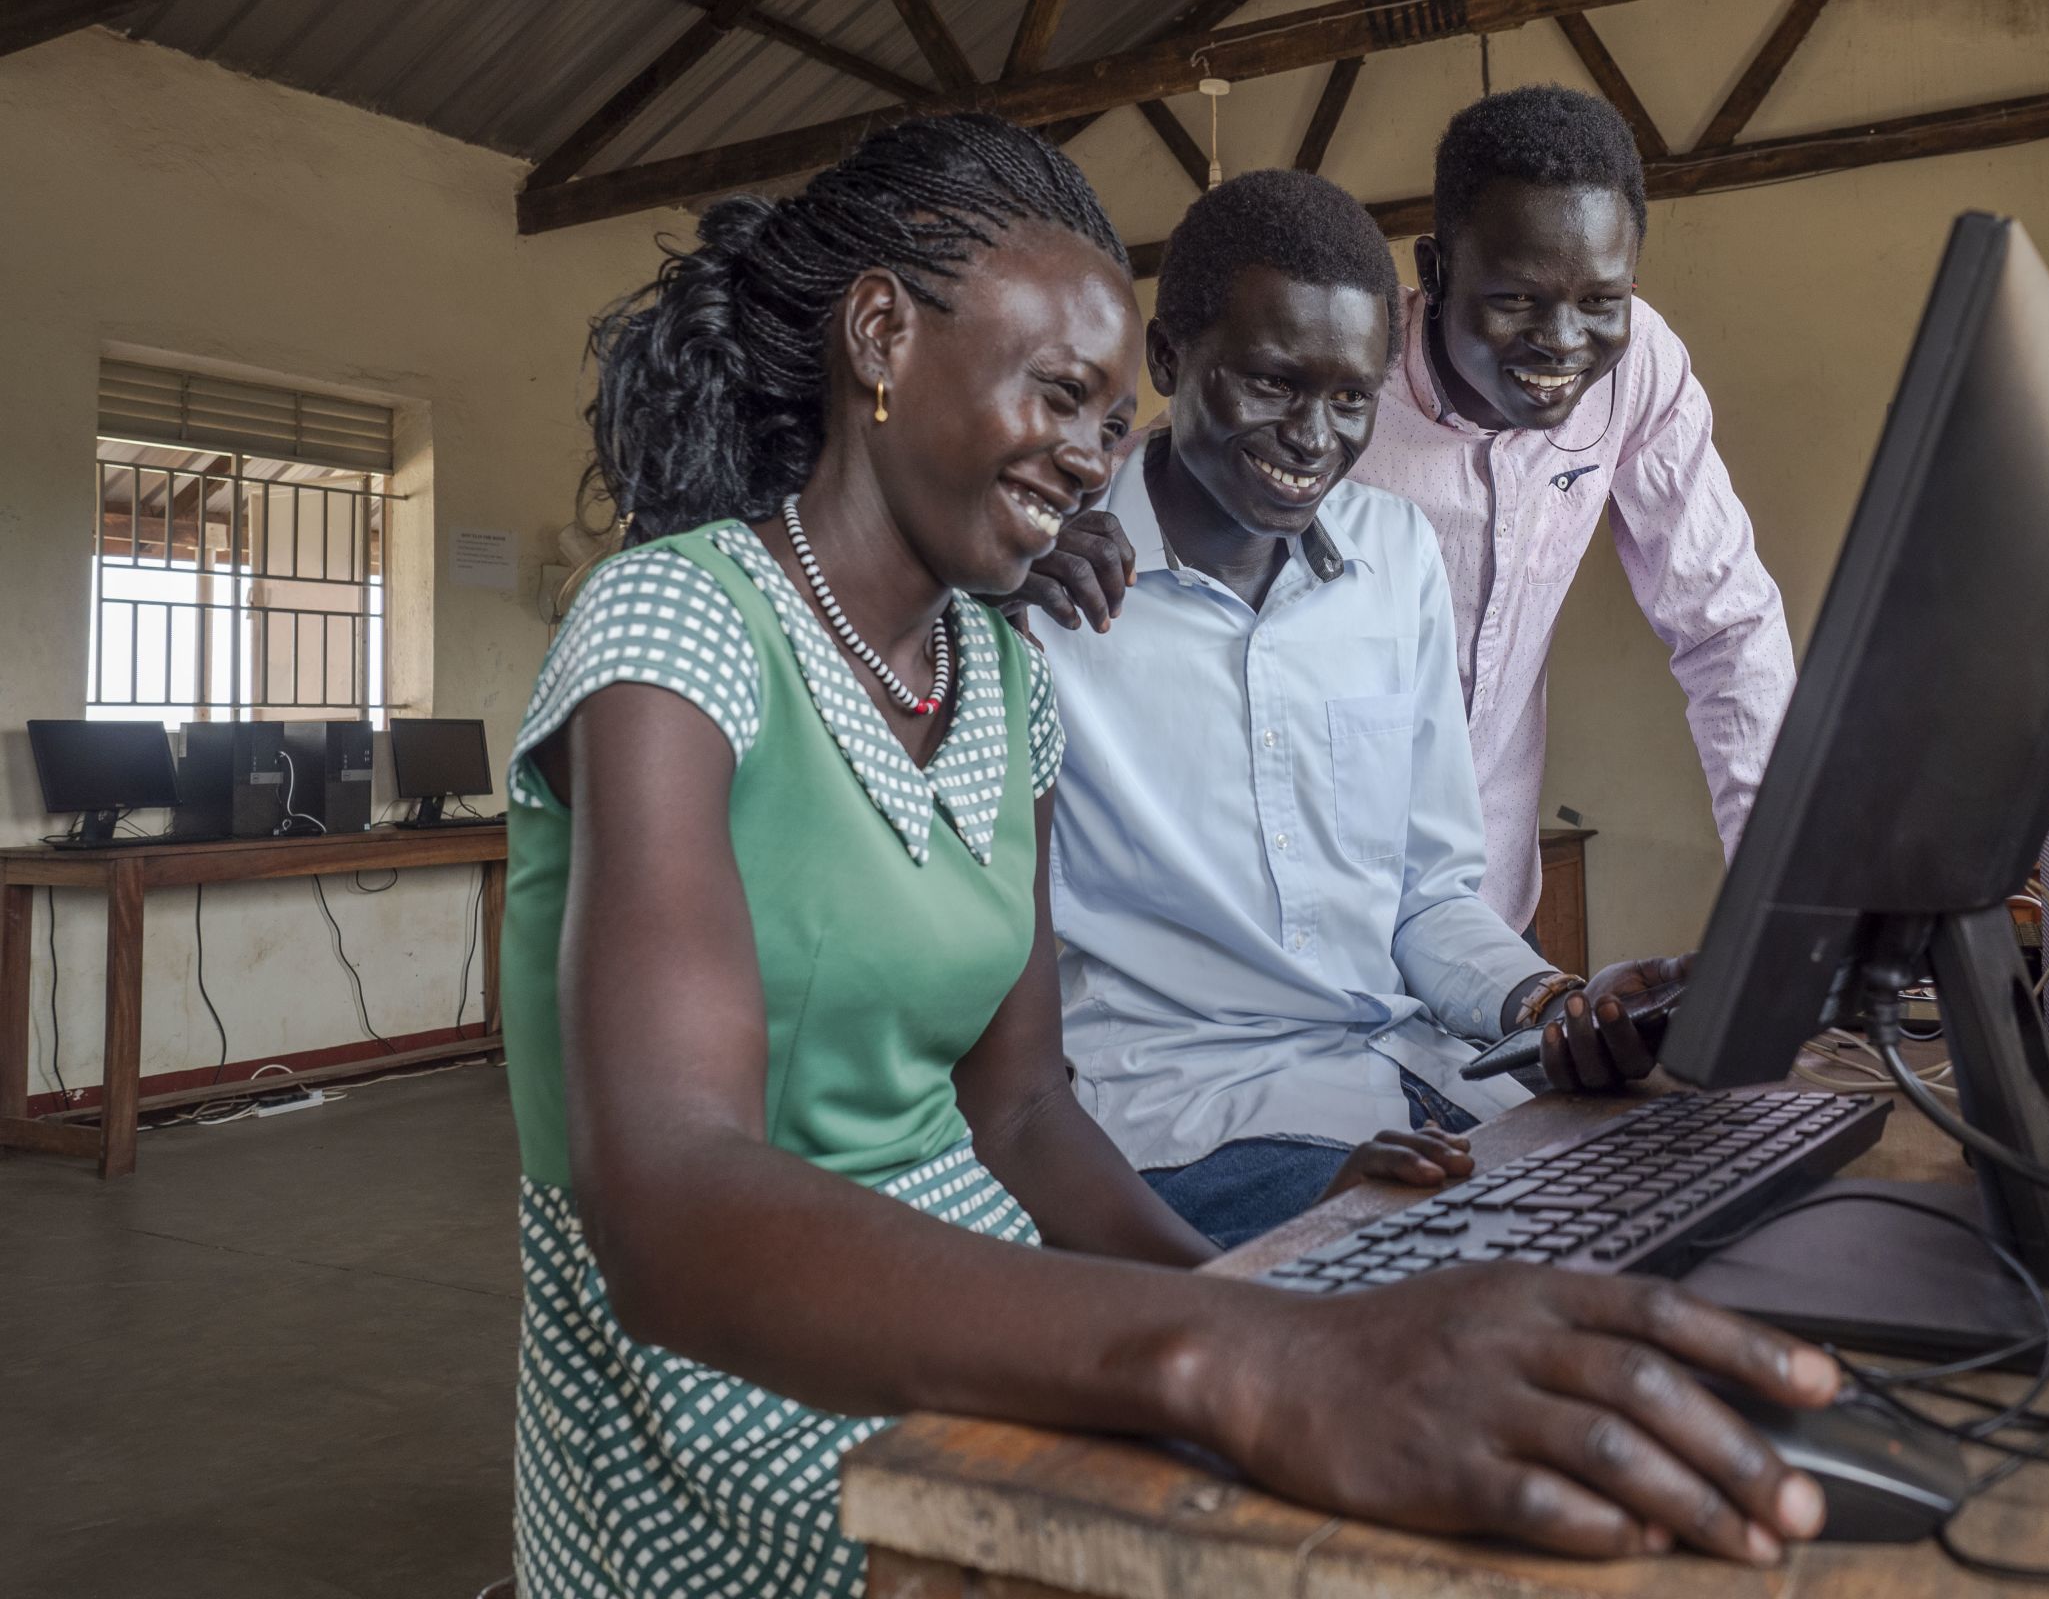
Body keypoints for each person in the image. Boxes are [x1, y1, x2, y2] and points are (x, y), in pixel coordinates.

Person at [496, 115, 1837, 1597]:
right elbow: (671, 1208)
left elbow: (1022, 1116)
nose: (1091, 457)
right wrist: (1236, 1352)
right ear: (880, 337)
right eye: (1059, 396)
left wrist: (1270, 1316)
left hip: (989, 1283)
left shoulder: (992, 675)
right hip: (735, 1377)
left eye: (1104, 416)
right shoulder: (677, 620)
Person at [1023, 169, 1694, 1253]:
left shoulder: (1395, 553)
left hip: (1416, 1075)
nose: (1314, 439)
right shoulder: (1042, 579)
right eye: (1272, 385)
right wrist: (991, 575)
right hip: (1186, 1119)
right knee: (1462, 1267)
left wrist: (1548, 1006)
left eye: (1350, 398)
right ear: (1167, 360)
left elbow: (1425, 897)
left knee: (1682, 1201)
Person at [1374, 84, 1794, 935]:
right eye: (1515, 299)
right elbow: (1172, 461)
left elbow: (1727, 625)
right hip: (1323, 913)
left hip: (1487, 906)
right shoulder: (1344, 378)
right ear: (1435, 272)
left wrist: (1786, 898)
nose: (1563, 341)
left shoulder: (1639, 369)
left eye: (1601, 301)